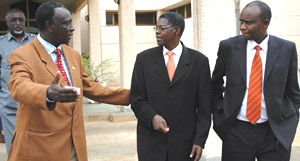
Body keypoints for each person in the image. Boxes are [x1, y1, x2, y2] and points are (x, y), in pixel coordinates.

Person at [7, 2, 129, 161]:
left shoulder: (73, 55)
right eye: (66, 23)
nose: (72, 27)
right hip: (41, 148)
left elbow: (91, 88)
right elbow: (19, 86)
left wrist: (134, 96)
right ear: (49, 26)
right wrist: (48, 93)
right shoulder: (22, 55)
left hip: (74, 147)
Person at [212, 1, 300, 161]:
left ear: (265, 23)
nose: (242, 26)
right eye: (241, 21)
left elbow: (293, 91)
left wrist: (289, 124)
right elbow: (215, 83)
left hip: (274, 132)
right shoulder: (229, 47)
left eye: (248, 22)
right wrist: (220, 114)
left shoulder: (287, 49)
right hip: (237, 131)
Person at [130, 12, 212, 161]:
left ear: (177, 30)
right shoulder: (143, 59)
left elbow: (205, 108)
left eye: (162, 28)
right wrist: (152, 117)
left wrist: (199, 140)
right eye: (156, 28)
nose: (157, 32)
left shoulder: (199, 62)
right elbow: (136, 99)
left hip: (185, 144)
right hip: (151, 143)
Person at [0, 8, 35, 154]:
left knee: (36, 145)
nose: (18, 23)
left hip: (34, 104)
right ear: (7, 23)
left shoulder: (36, 41)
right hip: (9, 106)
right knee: (14, 147)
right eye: (13, 20)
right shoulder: (0, 44)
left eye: (21, 20)